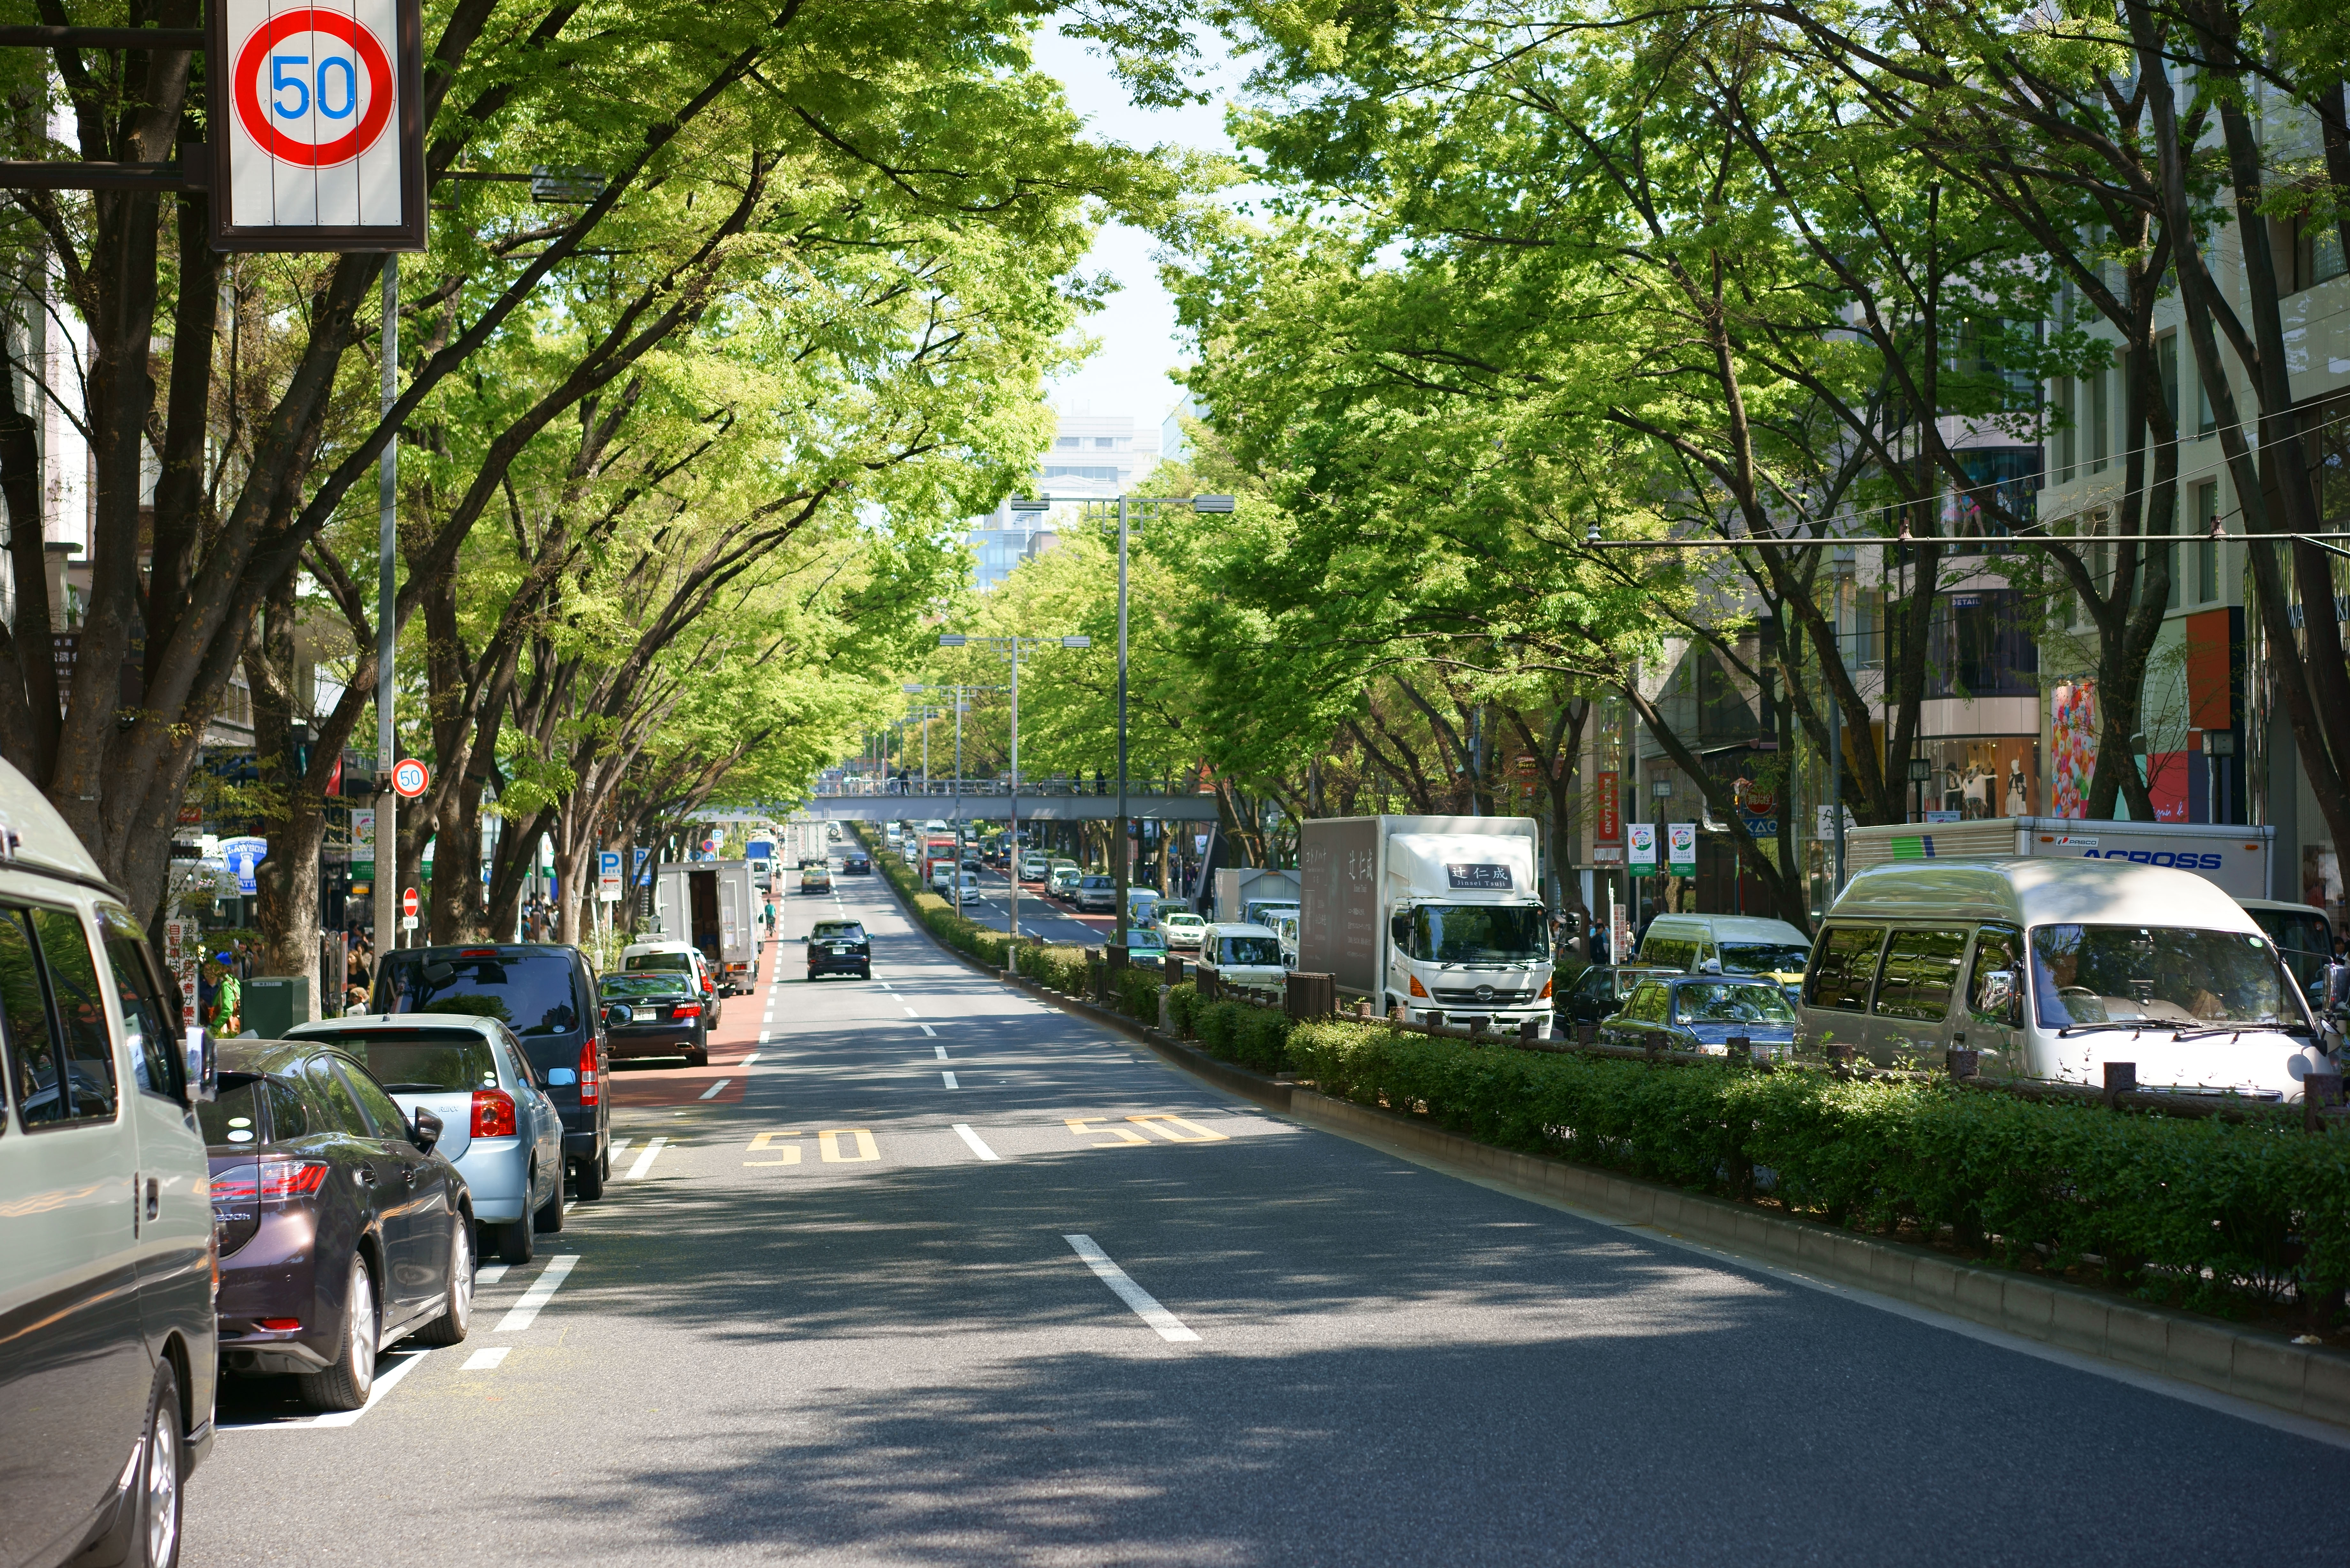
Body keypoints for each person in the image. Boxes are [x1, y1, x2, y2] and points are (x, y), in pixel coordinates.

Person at [204, 952, 241, 1036]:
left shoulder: (226, 985)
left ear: (224, 968)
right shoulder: (235, 982)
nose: (213, 968)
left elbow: (228, 1011)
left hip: (226, 1030)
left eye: (216, 966)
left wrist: (214, 1026)